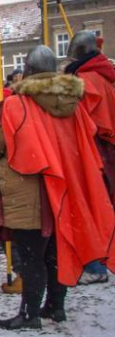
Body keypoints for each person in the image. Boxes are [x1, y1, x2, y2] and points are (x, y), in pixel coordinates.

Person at [0, 46, 115, 329]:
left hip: (30, 188)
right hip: (66, 187)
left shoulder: (16, 105)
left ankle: (30, 314)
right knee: (57, 250)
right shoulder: (73, 105)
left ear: (27, 71)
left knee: (32, 255)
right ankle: (56, 306)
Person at [65, 31, 115, 284]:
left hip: (93, 149)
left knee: (91, 206)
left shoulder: (87, 79)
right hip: (105, 148)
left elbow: (83, 119)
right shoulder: (103, 75)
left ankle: (96, 266)